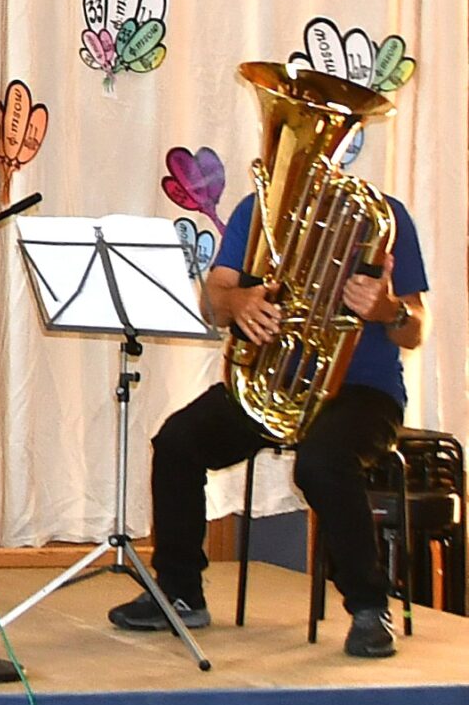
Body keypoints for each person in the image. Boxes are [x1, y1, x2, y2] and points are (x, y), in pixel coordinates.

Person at [109, 171, 426, 659]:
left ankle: (369, 606)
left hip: (363, 391)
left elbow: (415, 330)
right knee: (177, 442)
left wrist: (389, 311)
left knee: (321, 463)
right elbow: (214, 301)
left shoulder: (386, 215)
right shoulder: (256, 210)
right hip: (274, 380)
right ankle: (179, 592)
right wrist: (239, 302)